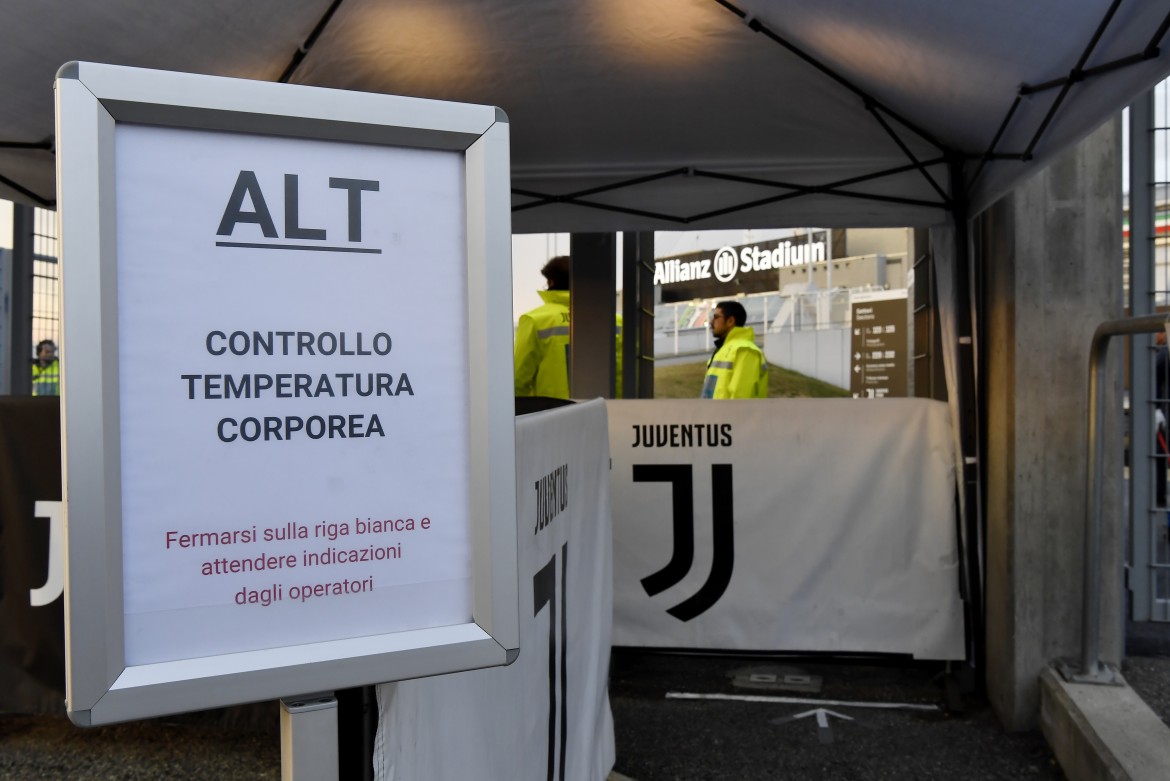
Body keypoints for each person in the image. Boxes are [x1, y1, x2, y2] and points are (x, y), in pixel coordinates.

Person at [513, 255, 622, 399]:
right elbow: (622, 373)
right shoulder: (614, 321)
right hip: (602, 410)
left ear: (551, 282)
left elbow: (519, 379)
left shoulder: (535, 320)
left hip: (553, 414)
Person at [700, 300, 767, 399]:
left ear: (730, 321)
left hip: (729, 414)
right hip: (714, 413)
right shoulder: (723, 350)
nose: (711, 322)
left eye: (716, 317)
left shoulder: (745, 351)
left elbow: (742, 398)